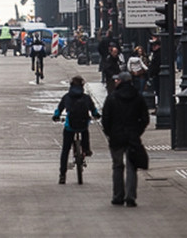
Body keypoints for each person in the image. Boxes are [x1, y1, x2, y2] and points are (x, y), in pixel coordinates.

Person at [101, 72, 149, 207]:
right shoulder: (137, 97)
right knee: (131, 167)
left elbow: (106, 118)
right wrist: (137, 132)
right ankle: (130, 196)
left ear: (121, 81)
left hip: (116, 136)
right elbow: (145, 118)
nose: (115, 82)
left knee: (117, 166)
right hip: (132, 136)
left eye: (117, 80)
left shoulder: (112, 97)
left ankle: (118, 196)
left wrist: (110, 132)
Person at [52, 76, 100, 184]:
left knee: (65, 150)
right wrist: (96, 115)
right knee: (85, 132)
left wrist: (56, 116)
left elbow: (59, 108)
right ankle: (86, 149)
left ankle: (62, 175)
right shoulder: (86, 98)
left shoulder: (67, 97)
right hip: (83, 124)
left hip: (70, 126)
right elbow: (93, 109)